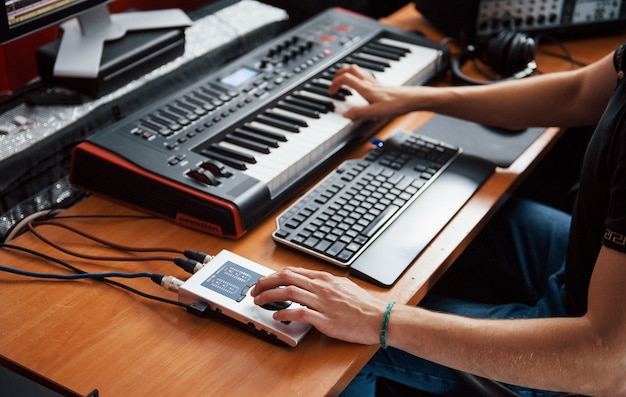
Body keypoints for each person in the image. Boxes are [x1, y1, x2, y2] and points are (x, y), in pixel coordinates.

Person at [251, 40, 626, 396]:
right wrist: (412, 98)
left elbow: (607, 363)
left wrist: (378, 318)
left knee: (328, 342)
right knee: (478, 210)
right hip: (586, 264)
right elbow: (578, 92)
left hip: (586, 359)